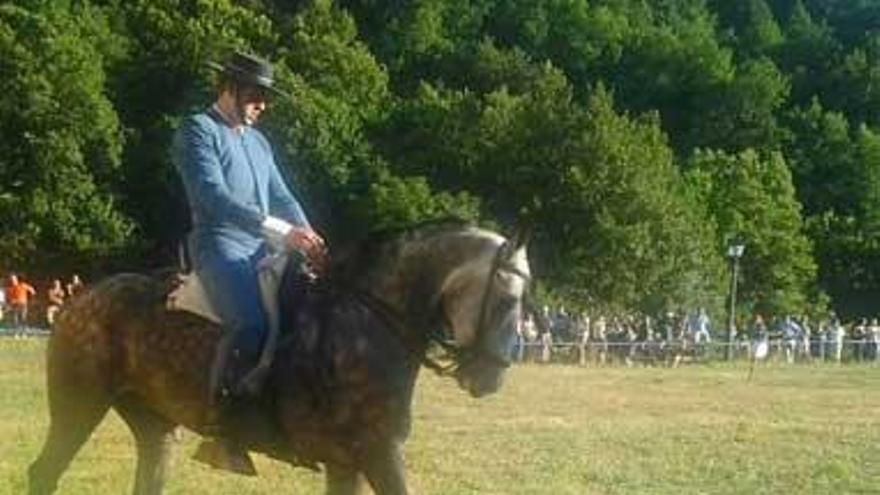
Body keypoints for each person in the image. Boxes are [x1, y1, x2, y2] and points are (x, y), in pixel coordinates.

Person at [172, 50, 327, 472]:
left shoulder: (259, 143)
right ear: (230, 88)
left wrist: (309, 234)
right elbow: (213, 198)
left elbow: (283, 195)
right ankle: (223, 428)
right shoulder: (197, 130)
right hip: (219, 244)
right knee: (253, 324)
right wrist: (282, 233)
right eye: (257, 95)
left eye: (265, 97)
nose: (263, 105)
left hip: (264, 247)